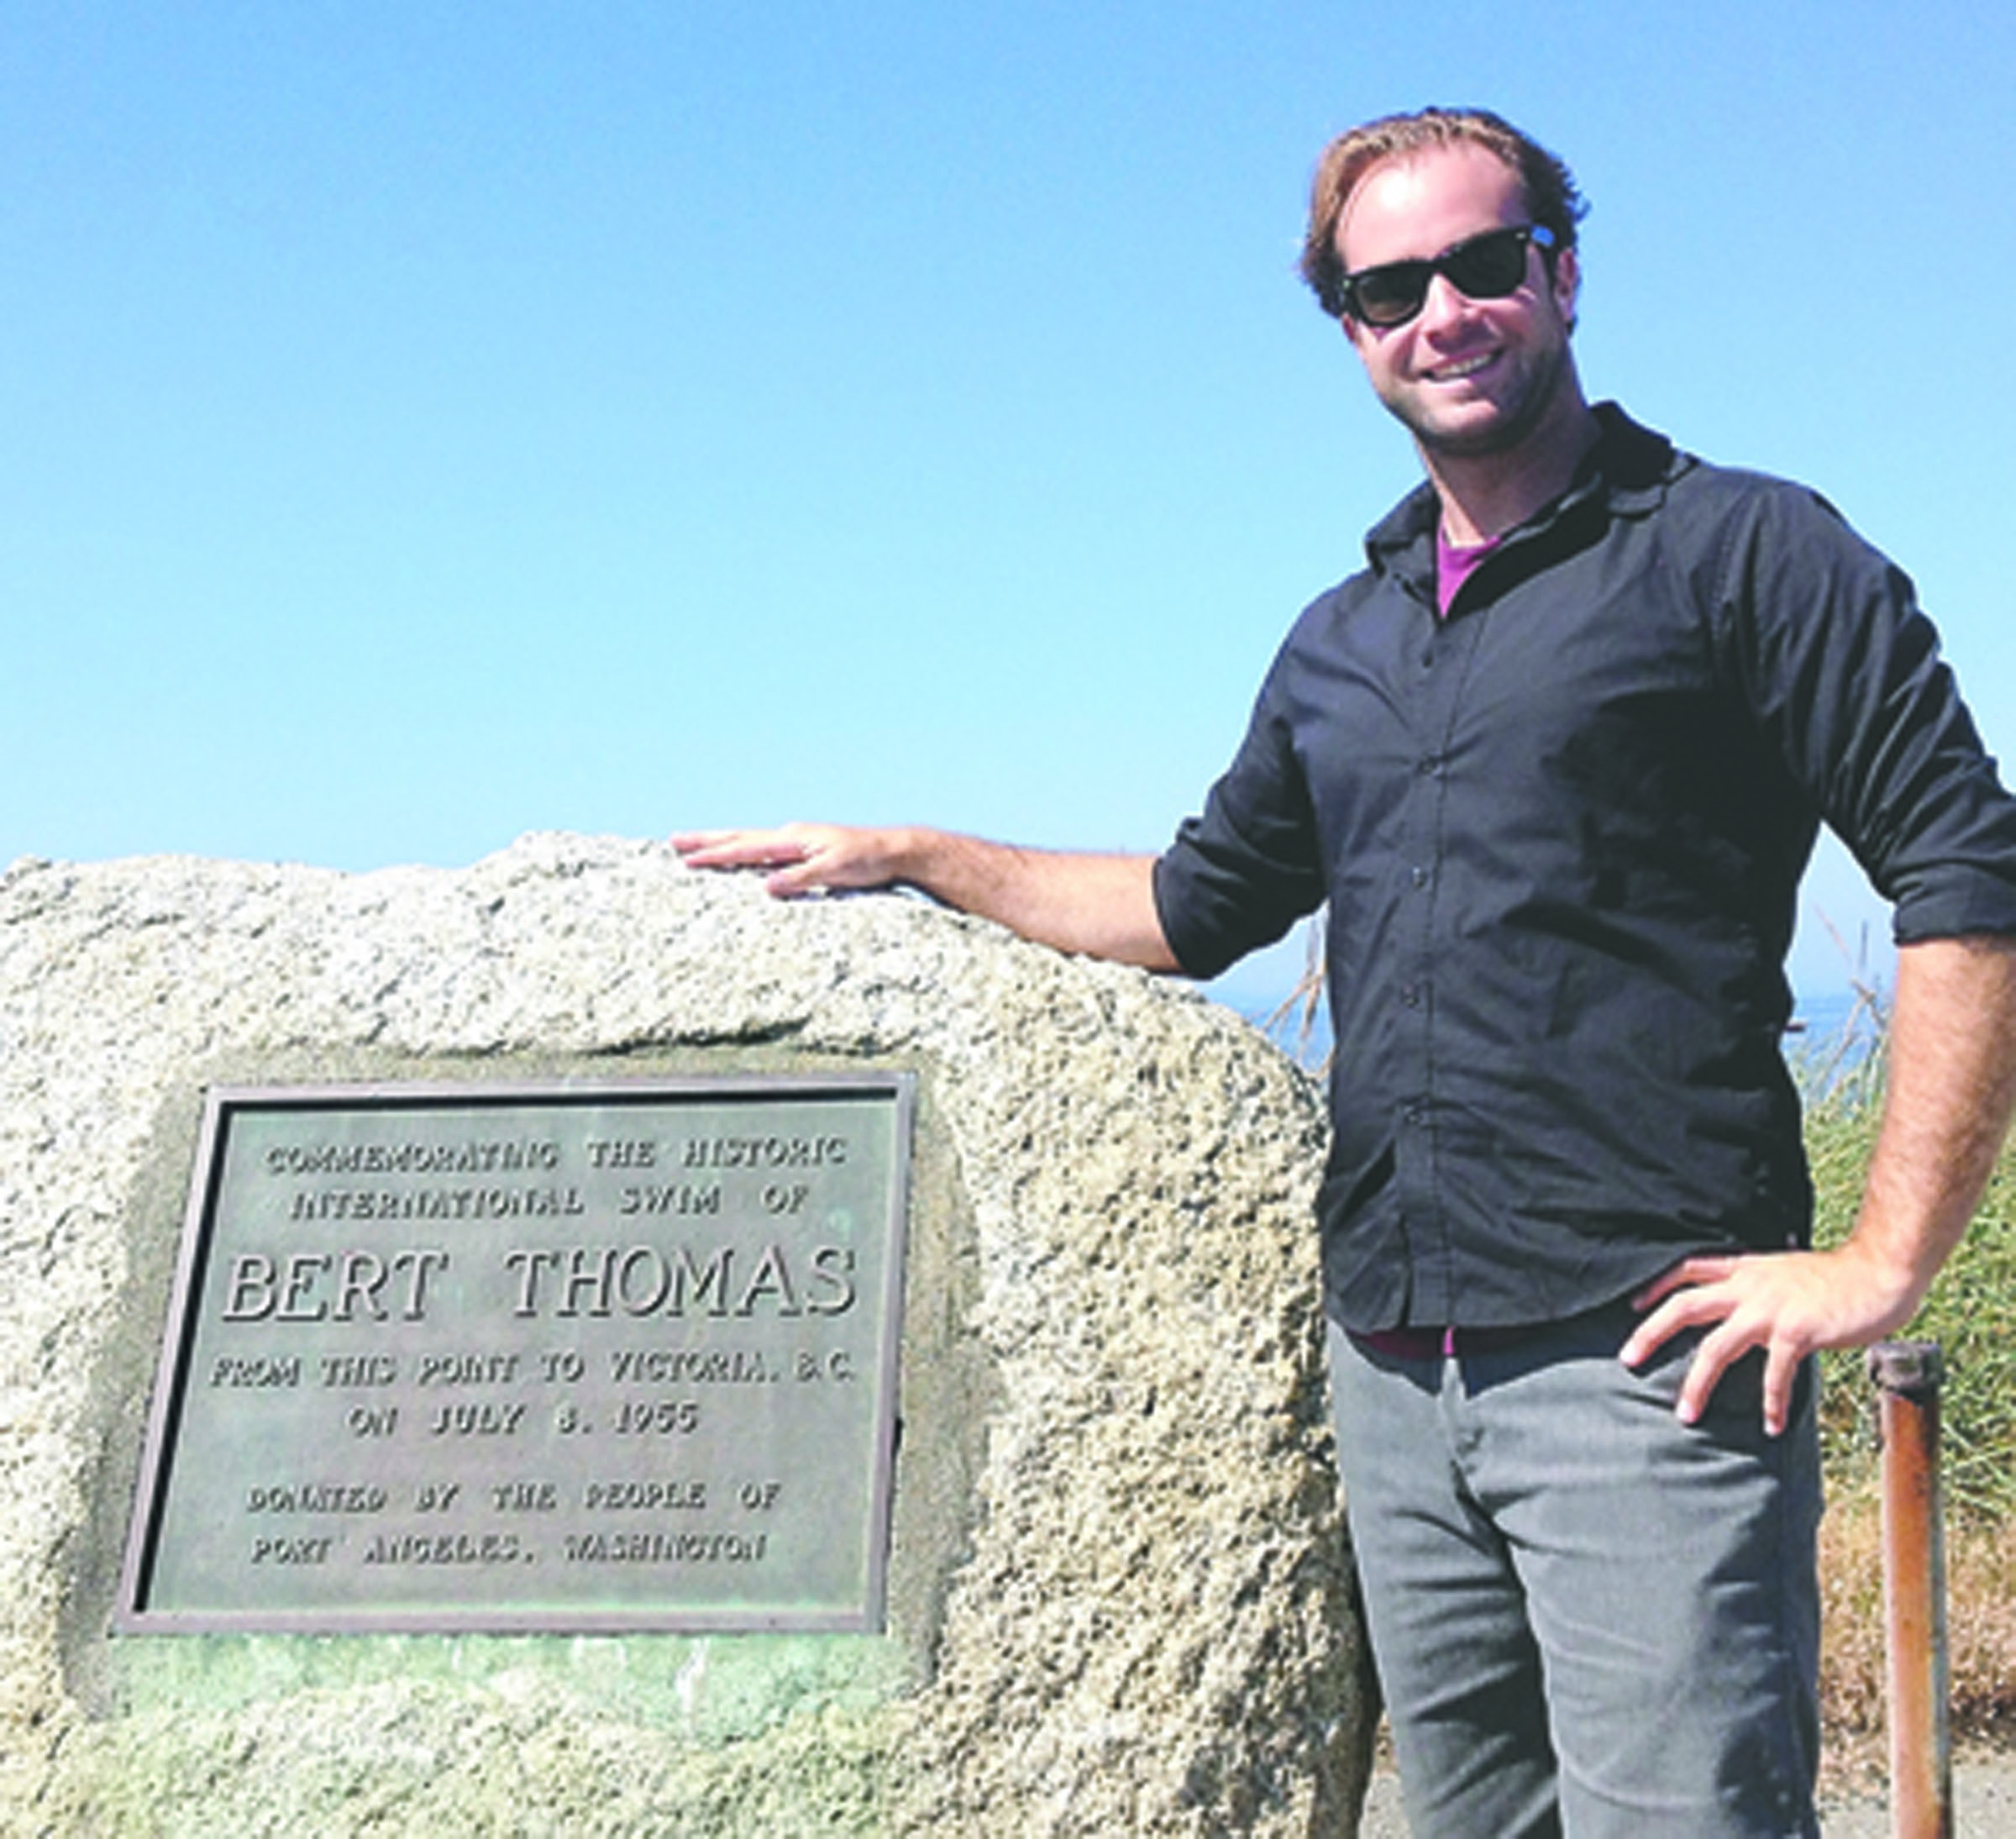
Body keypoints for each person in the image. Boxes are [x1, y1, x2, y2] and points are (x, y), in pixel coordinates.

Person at [675, 106, 2016, 1837]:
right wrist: (928, 855)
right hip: (1393, 1371)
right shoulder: (1342, 639)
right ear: (1348, 326)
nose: (1442, 310)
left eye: (1484, 262)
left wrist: (1885, 1259)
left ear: (1566, 269)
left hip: (1645, 1361)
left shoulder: (1743, 553)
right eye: (1391, 285)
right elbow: (1190, 902)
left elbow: (1968, 870)